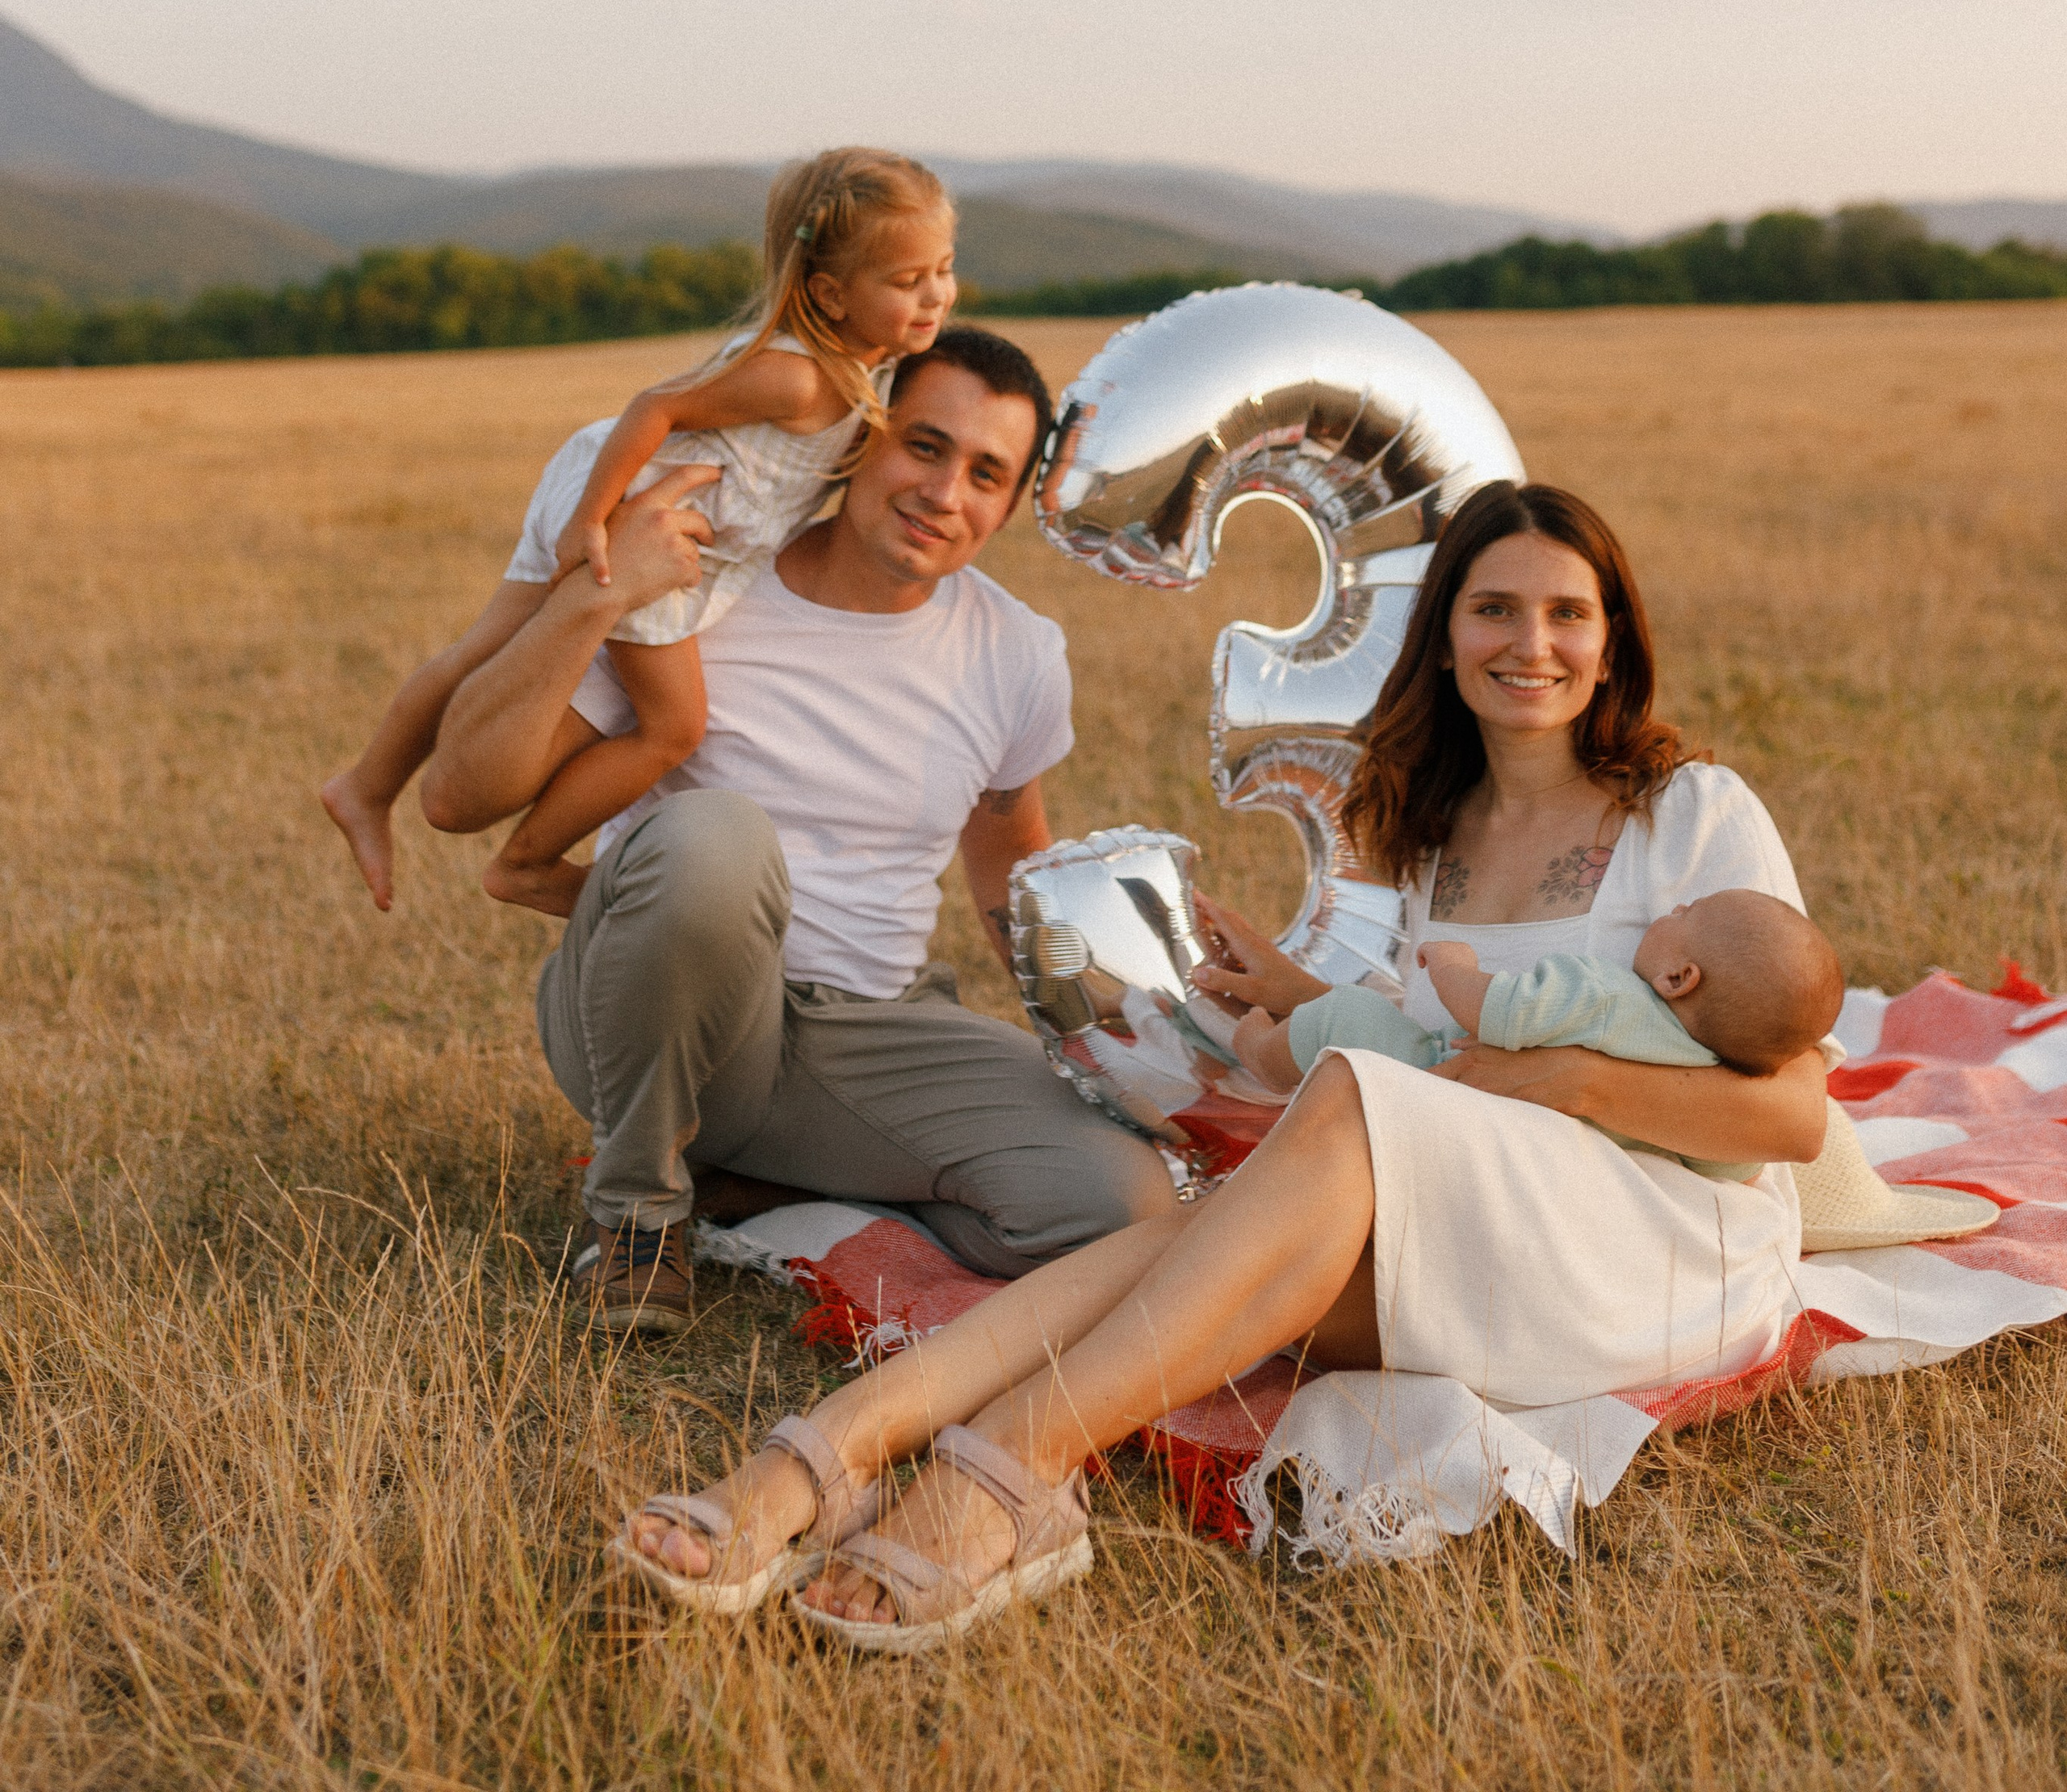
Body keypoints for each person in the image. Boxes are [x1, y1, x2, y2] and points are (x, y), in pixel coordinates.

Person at [611, 478, 1834, 1648]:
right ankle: (819, 1457)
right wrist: (1311, 1003)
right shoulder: (1431, 846)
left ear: (1614, 643)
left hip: (1663, 1239)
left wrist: (1561, 1084)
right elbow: (1444, 1051)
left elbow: (1790, 1118)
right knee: (1192, 1250)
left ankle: (1015, 1470)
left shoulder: (1691, 810)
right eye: (1496, 608)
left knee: (1327, 1130)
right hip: (1499, 1227)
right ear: (1448, 637)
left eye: (1571, 612)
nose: (1534, 642)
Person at [415, 322, 1178, 1327]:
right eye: (924, 445)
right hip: (665, 1021)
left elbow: (1009, 862)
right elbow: (455, 796)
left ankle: (760, 1192)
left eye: (986, 474)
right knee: (715, 839)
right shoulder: (703, 581)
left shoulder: (1018, 652)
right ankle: (637, 1214)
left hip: (873, 1029)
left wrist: (1124, 1054)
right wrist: (595, 597)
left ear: (1008, 505)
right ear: (863, 437)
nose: (944, 494)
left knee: (1120, 1208)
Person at [321, 147, 956, 916]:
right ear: (829, 294)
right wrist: (593, 521)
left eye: (943, 270)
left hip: (607, 486)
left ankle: (364, 787)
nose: (935, 298)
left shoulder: (866, 364)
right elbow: (656, 407)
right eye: (906, 280)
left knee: (482, 652)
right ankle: (526, 863)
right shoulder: (799, 377)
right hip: (642, 520)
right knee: (674, 727)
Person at [1233, 889, 1843, 1184]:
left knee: (1351, 1016)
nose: (1674, 908)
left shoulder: (1605, 996)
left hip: (1443, 1085)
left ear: (1679, 978)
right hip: (1538, 1172)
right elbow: (1730, 1173)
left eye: (1685, 914)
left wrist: (1455, 965)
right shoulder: (1709, 1068)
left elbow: (1500, 1011)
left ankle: (1261, 1055)